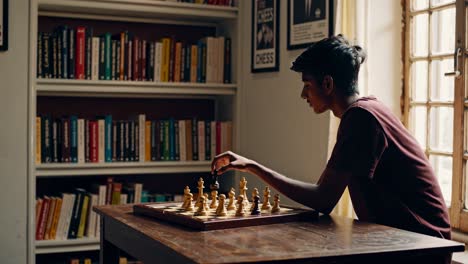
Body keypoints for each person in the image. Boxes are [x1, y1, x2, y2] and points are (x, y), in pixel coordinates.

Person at [211, 34, 451, 263]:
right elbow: (324, 191)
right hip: (405, 242)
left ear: (327, 84)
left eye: (307, 84)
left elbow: (323, 199)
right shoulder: (365, 111)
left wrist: (253, 167)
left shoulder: (361, 118)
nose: (303, 94)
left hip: (421, 248)